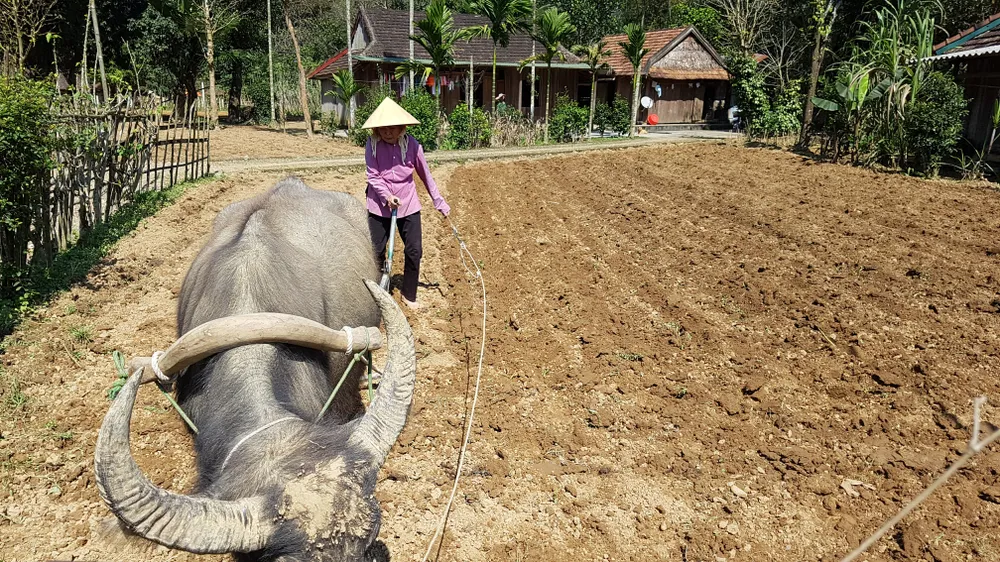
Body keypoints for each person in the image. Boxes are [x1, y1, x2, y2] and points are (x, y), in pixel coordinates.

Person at [362, 97, 450, 310]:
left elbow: (425, 175)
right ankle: (377, 290)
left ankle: (409, 295)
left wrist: (439, 202)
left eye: (392, 128)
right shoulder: (372, 145)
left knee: (414, 250)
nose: (387, 133)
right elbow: (372, 175)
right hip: (379, 204)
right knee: (376, 249)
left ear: (401, 128)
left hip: (408, 203)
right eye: (383, 129)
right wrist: (386, 196)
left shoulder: (412, 146)